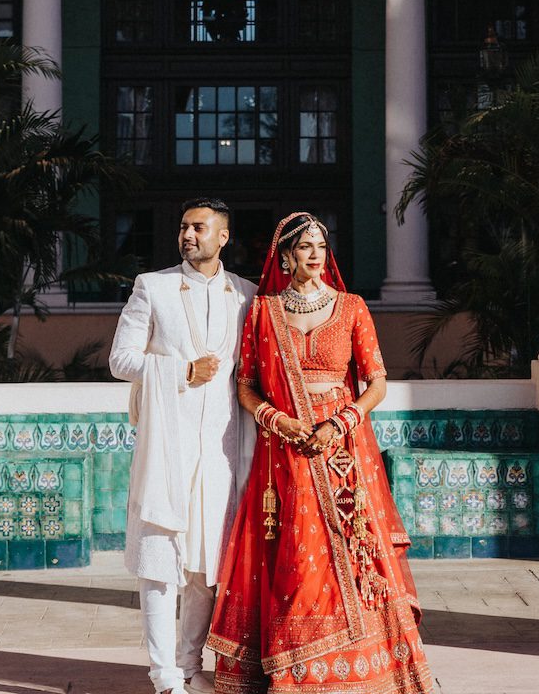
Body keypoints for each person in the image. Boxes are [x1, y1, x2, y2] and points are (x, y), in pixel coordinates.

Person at [206, 212, 433, 694]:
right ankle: (293, 670)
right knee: (294, 555)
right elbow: (246, 386)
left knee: (347, 555)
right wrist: (279, 421)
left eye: (321, 245)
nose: (315, 254)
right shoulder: (264, 312)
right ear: (286, 256)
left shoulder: (351, 307)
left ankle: (364, 665)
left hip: (341, 452)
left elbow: (376, 383)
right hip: (285, 451)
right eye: (305, 246)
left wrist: (339, 423)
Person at [111, 198, 256, 694]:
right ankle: (163, 675)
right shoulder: (152, 287)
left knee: (205, 568)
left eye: (199, 227)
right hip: (165, 446)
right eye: (183, 227)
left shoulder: (248, 296)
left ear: (223, 236)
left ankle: (190, 665)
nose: (189, 235)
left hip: (222, 451)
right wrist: (179, 372)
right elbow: (121, 359)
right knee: (159, 564)